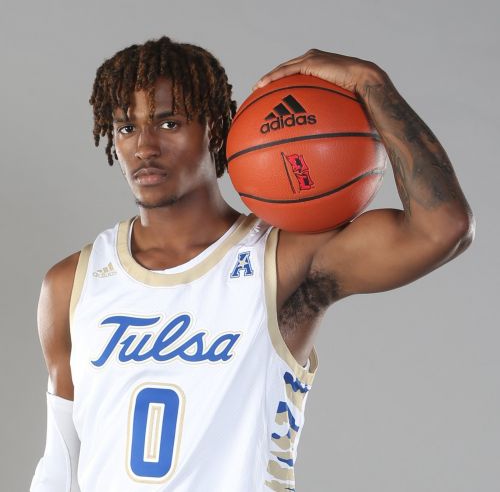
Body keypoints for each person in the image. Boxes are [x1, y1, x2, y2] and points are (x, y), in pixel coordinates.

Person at [31, 36, 474, 492]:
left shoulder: (283, 257)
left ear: (215, 129)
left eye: (169, 122)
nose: (144, 146)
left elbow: (443, 228)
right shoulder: (73, 283)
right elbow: (60, 465)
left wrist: (370, 82)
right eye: (127, 128)